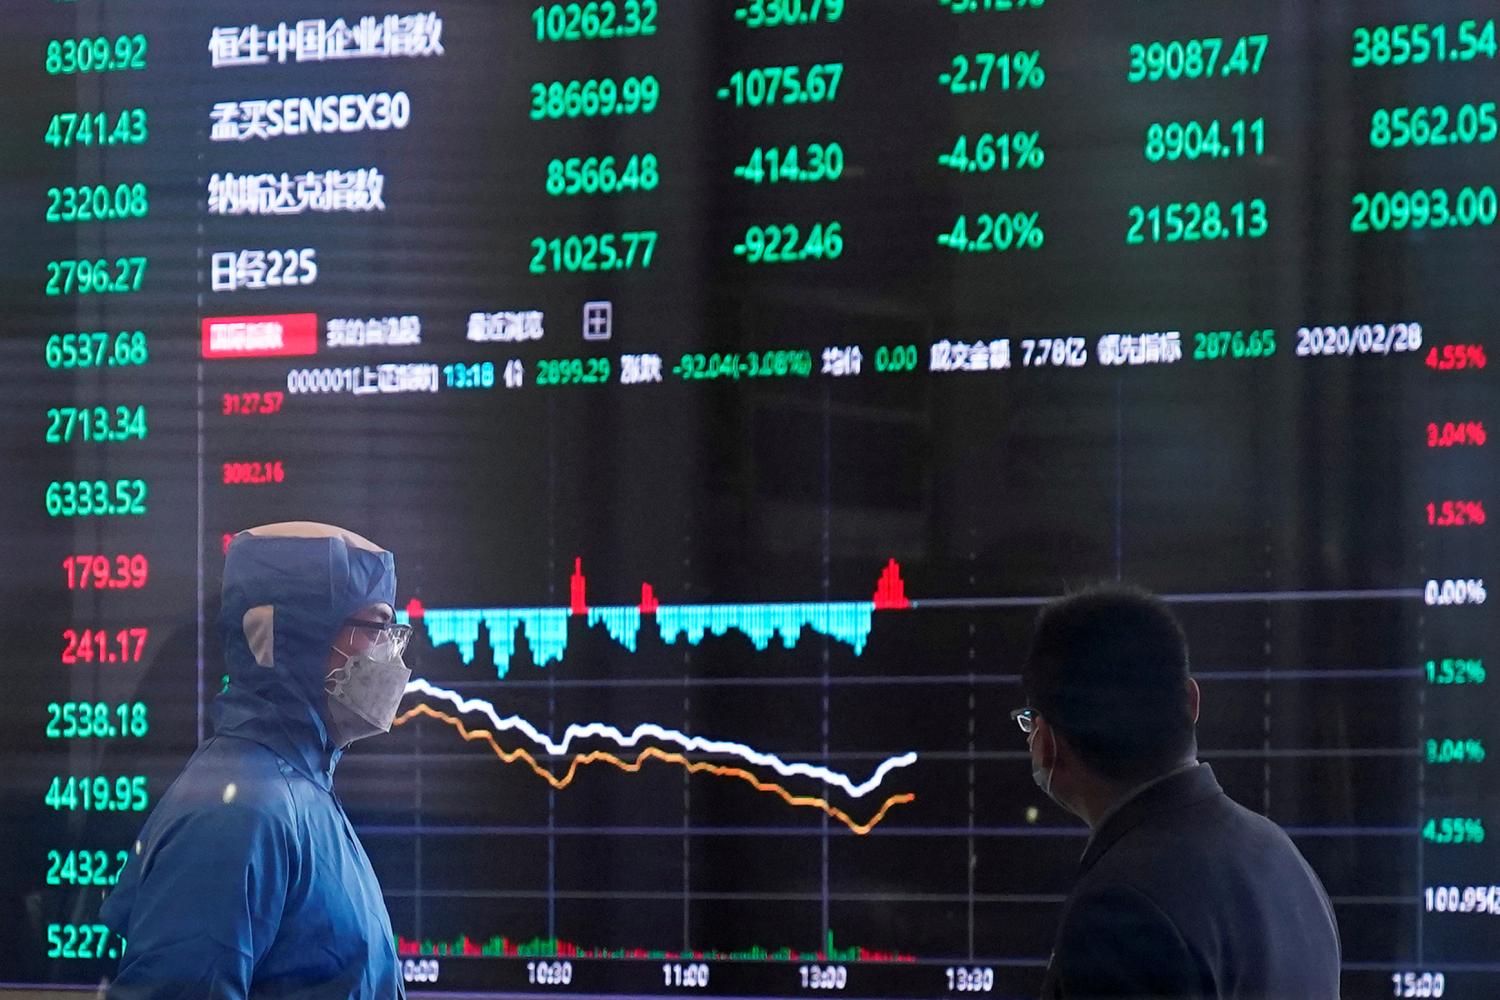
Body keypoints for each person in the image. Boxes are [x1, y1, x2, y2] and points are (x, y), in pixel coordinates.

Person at [101, 522, 413, 999]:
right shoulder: (239, 813)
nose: (390, 657)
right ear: (289, 637)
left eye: (393, 632)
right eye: (374, 629)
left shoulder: (301, 791)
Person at [1016, 585, 1341, 1000]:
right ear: (1190, 701)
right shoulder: (1283, 860)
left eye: (1030, 723)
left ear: (1046, 742)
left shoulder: (1119, 909)